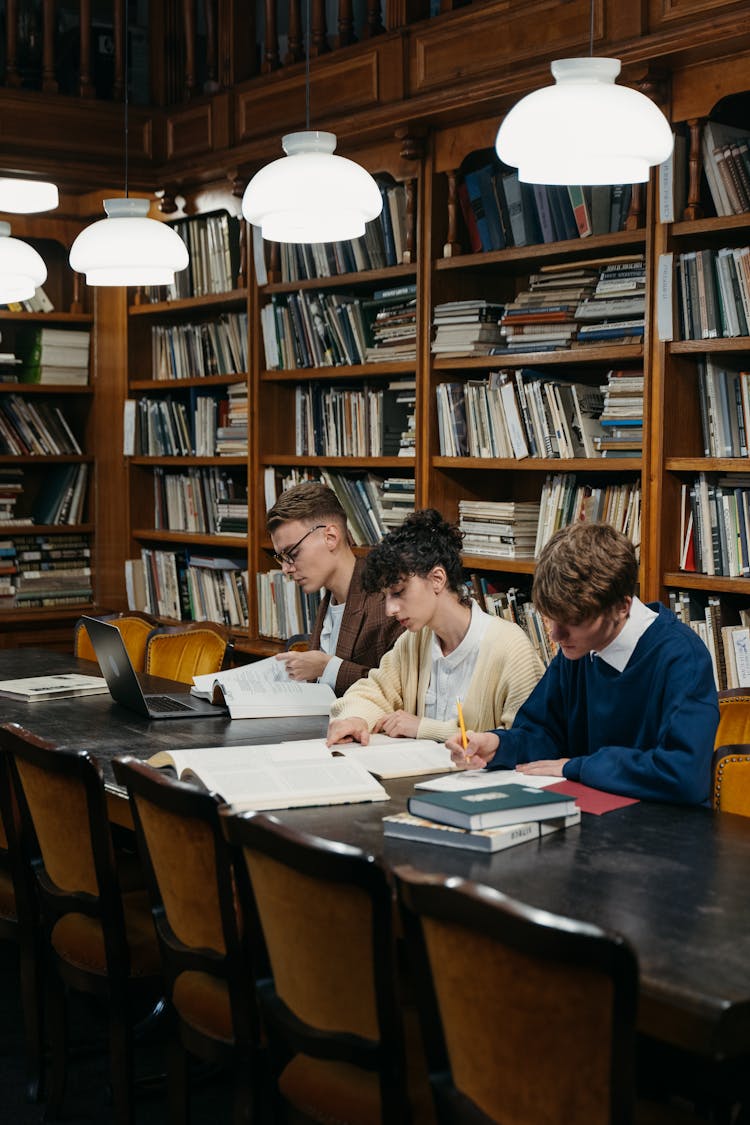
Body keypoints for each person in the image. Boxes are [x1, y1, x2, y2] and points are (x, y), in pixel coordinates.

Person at [446, 522, 719, 805]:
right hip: (589, 816)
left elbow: (684, 775)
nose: (555, 635)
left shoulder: (682, 657)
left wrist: (578, 766)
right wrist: (499, 746)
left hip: (665, 832)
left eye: (573, 622)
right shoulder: (578, 650)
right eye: (551, 618)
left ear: (622, 607)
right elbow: (545, 735)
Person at [327, 508, 544, 745]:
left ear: (437, 579)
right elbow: (372, 691)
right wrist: (355, 719)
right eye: (386, 597)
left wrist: (423, 728)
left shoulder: (510, 647)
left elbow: (525, 742)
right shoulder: (413, 642)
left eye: (399, 593)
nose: (390, 610)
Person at [266, 481, 403, 696]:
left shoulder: (389, 600)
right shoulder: (328, 600)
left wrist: (327, 668)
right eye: (281, 558)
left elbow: (400, 690)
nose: (286, 568)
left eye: (292, 553)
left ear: (330, 537)